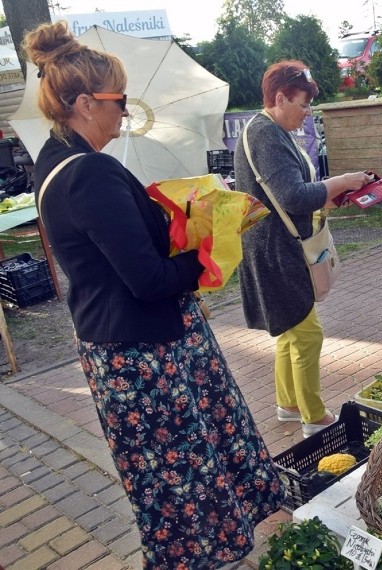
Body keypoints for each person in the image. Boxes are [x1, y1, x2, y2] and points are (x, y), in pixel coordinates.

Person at [25, 21, 286, 569]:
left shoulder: (53, 162)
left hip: (120, 343)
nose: (124, 110)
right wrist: (216, 243)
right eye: (117, 99)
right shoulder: (90, 174)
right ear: (82, 103)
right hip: (147, 354)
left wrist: (185, 221)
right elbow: (148, 280)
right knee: (187, 478)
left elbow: (113, 255)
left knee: (180, 477)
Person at [234, 60, 372, 437]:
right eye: (303, 104)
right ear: (280, 98)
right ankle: (314, 416)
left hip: (273, 246)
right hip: (277, 251)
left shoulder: (270, 129)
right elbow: (293, 196)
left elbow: (293, 193)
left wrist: (333, 193)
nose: (308, 112)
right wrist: (340, 181)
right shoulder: (266, 134)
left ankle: (288, 405)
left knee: (290, 330)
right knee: (305, 332)